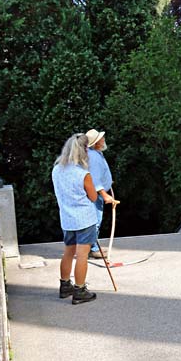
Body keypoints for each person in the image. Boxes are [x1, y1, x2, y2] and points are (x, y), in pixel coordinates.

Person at [52, 134, 98, 305]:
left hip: (67, 218)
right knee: (82, 255)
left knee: (68, 252)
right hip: (84, 219)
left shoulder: (56, 170)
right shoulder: (83, 174)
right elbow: (93, 197)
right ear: (84, 151)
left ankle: (65, 286)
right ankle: (80, 290)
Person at [85, 129, 115, 259]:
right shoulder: (94, 157)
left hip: (94, 193)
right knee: (95, 221)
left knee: (94, 221)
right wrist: (104, 194)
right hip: (95, 195)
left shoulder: (95, 153)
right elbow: (95, 180)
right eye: (101, 139)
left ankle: (90, 247)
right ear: (96, 143)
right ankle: (93, 249)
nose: (103, 140)